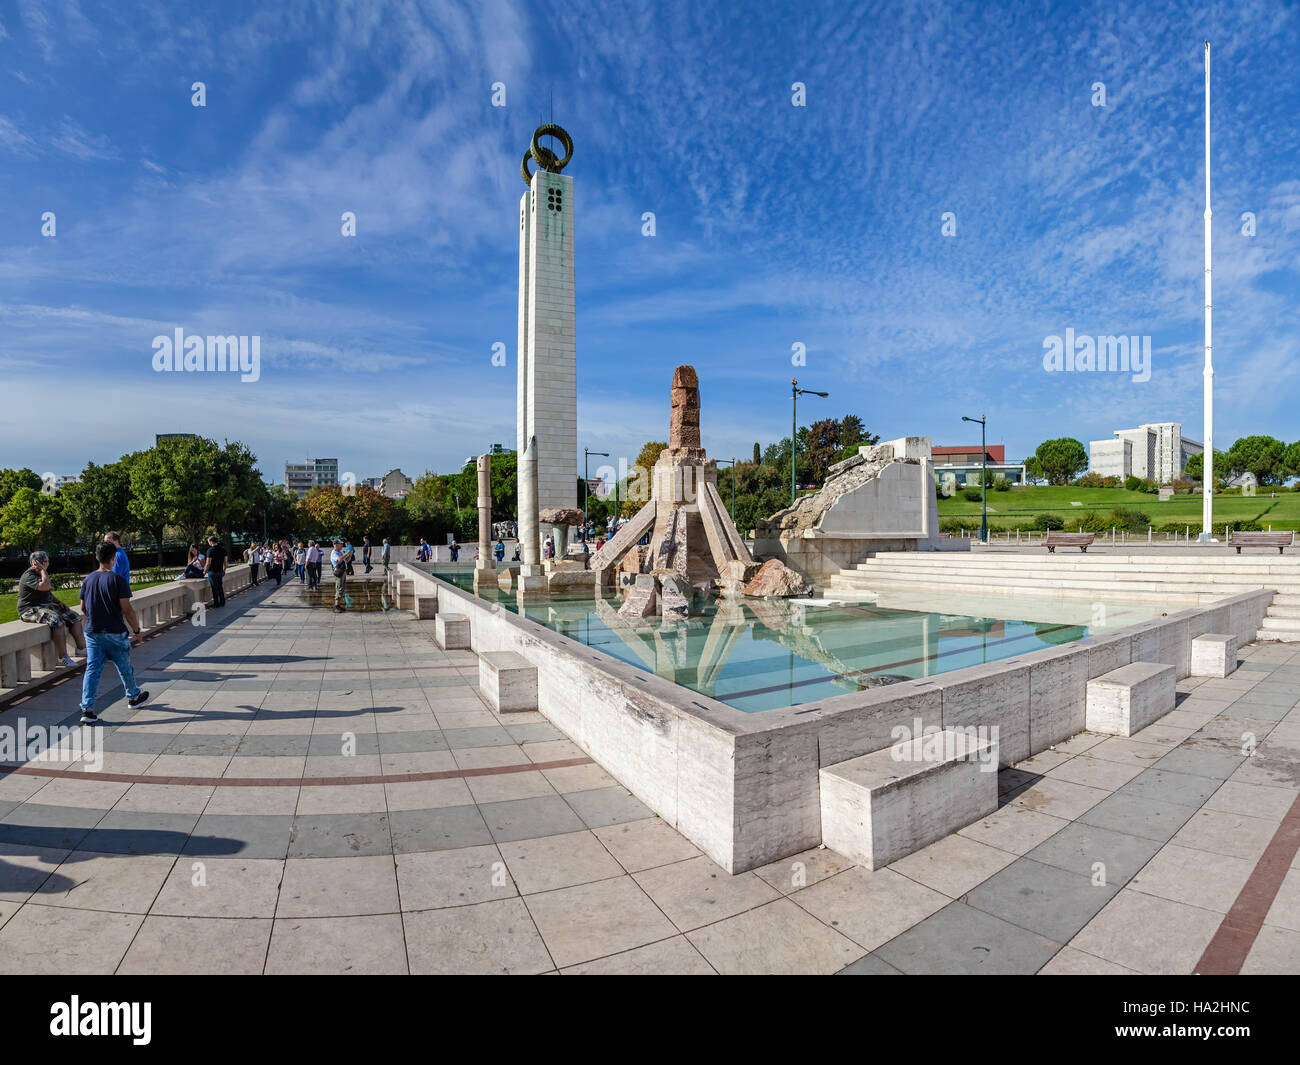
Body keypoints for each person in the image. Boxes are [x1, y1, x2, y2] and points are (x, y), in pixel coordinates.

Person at [79, 541, 148, 724]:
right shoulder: (118, 580)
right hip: (115, 632)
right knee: (124, 666)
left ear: (97, 557)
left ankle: (87, 709)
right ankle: (133, 697)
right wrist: (137, 631)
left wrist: (95, 617)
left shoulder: (88, 579)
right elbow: (127, 610)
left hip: (93, 632)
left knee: (92, 670)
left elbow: (83, 608)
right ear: (114, 558)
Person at [18, 551, 86, 667]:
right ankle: (64, 657)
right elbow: (46, 586)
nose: (48, 563)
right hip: (29, 609)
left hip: (45, 606)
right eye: (47, 561)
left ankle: (82, 648)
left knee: (73, 616)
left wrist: (59, 602)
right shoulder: (29, 575)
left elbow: (47, 593)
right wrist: (43, 570)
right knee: (56, 620)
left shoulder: (41, 573)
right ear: (40, 563)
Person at [204, 535, 227, 607]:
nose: (209, 544)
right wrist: (224, 570)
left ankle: (216, 604)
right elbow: (225, 562)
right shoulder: (223, 550)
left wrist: (204, 571)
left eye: (208, 542)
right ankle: (222, 602)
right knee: (220, 587)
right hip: (220, 571)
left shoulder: (210, 550)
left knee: (214, 588)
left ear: (211, 542)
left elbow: (208, 563)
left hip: (212, 572)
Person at [329, 538, 347, 612]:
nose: (342, 545)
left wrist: (349, 555)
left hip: (343, 571)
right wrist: (346, 553)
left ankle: (338, 605)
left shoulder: (339, 552)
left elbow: (346, 560)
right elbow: (339, 560)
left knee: (342, 588)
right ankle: (336, 606)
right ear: (336, 545)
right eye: (340, 544)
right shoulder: (334, 553)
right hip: (339, 572)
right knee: (339, 588)